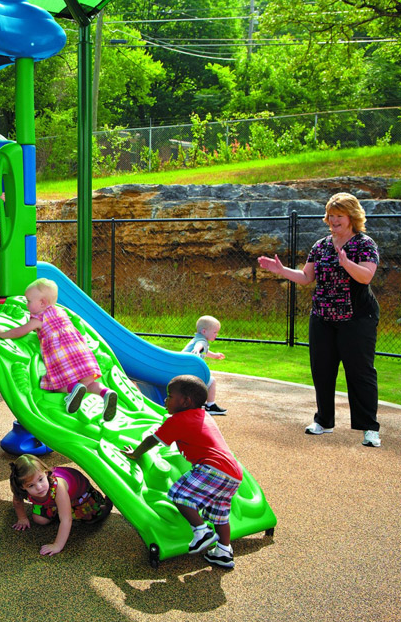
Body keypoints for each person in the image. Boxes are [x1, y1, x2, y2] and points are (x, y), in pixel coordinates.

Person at [257, 192, 381, 447]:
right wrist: (280, 270)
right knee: (322, 370)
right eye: (331, 215)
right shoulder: (321, 245)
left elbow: (366, 277)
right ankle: (323, 421)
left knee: (360, 372)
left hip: (356, 318)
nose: (334, 220)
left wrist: (346, 262)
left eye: (339, 216)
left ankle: (369, 427)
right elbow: (306, 277)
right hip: (323, 316)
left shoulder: (364, 244)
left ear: (351, 217)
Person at [123, 375, 242, 569]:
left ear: (185, 401)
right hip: (233, 473)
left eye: (170, 396)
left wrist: (135, 454)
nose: (165, 400)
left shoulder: (178, 420)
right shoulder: (204, 415)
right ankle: (223, 551)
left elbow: (153, 440)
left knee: (179, 495)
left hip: (212, 468)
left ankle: (201, 531)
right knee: (220, 513)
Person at [0, 278, 116, 421]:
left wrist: (3, 333)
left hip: (63, 356)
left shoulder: (38, 319)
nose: (26, 305)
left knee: (58, 386)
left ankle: (73, 389)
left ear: (42, 303)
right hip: (82, 352)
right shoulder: (60, 311)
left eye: (28, 301)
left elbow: (20, 331)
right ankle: (106, 393)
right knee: (89, 384)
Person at [8, 454, 112, 556]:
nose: (39, 487)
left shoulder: (58, 487)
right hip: (53, 500)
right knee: (39, 519)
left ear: (46, 473)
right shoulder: (22, 490)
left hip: (80, 496)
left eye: (40, 479)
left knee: (91, 517)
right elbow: (17, 501)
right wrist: (22, 518)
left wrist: (57, 545)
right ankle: (61, 508)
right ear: (22, 487)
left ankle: (106, 505)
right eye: (31, 485)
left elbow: (66, 519)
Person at [182, 315, 227, 415]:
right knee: (211, 381)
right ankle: (210, 405)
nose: (217, 334)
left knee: (202, 382)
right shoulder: (202, 340)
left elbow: (204, 350)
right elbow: (200, 345)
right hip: (187, 372)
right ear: (204, 331)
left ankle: (196, 402)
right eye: (215, 332)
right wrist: (197, 350)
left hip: (184, 370)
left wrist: (215, 355)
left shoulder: (198, 338)